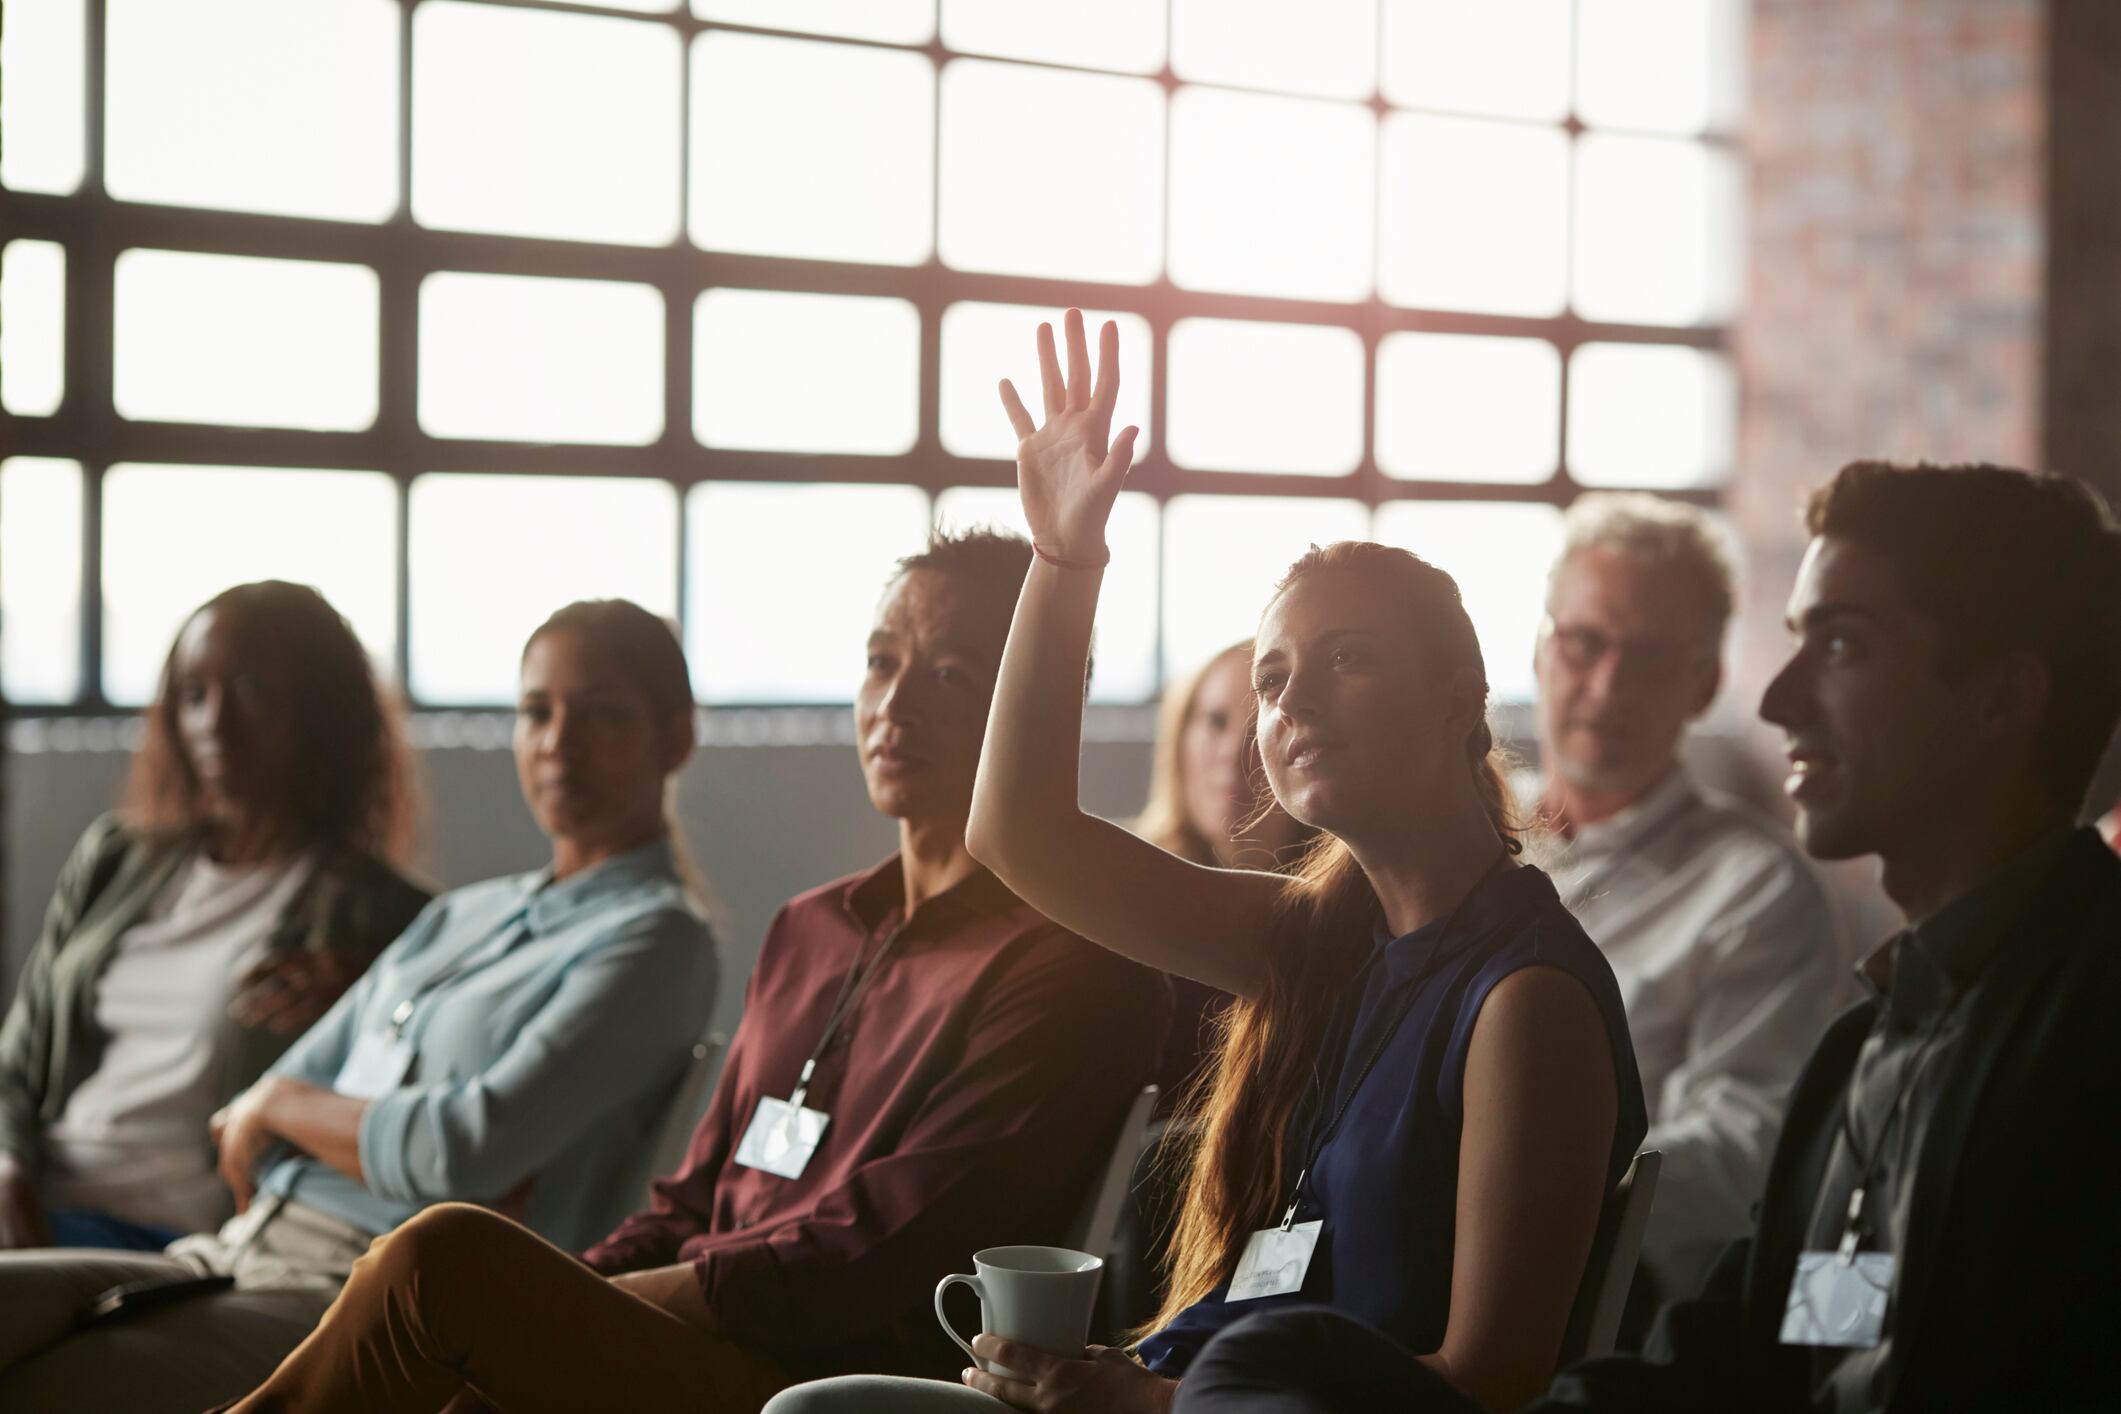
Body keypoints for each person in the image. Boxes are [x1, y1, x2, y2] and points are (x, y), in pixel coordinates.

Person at [765, 309, 1647, 1414]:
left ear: (1458, 703)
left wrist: (1141, 1403)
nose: (1295, 701)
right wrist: (1063, 558)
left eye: (1349, 660)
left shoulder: (1528, 999)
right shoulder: (1317, 938)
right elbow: (1020, 834)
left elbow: (1487, 1387)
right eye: (1275, 678)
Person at [1166, 459, 2121, 1413]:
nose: (1778, 700)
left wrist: (1526, 1161)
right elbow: (1810, 1338)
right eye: (1580, 644)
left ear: (2003, 699)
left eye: (1840, 646)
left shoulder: (2074, 1030)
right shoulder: (1880, 1044)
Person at [212, 529, 1168, 1414]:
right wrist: (569, 1289)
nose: (894, 703)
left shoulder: (1072, 960)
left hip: (828, 1380)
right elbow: (688, 1199)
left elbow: (875, 1252)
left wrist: (579, 1298)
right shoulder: (812, 930)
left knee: (438, 1258)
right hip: (695, 1337)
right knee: (451, 1282)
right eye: (880, 662)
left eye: (950, 673)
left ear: (1039, 703)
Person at [0, 598, 718, 1412]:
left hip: (360, 1284)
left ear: (675, 738)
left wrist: (291, 1107)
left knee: (53, 1384)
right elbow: (249, 1123)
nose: (558, 743)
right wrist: (315, 1119)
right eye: (535, 710)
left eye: (603, 716)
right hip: (235, 1244)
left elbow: (460, 1151)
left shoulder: (657, 939)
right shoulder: (460, 915)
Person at [0, 581, 430, 1254]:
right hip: (28, 1200)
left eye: (253, 690)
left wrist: (368, 1003)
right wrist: (7, 1174)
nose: (214, 723)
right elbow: (16, 1067)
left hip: (165, 1235)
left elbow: (410, 1122)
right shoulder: (116, 859)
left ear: (321, 710)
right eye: (192, 694)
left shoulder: (377, 912)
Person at [1527, 493, 1845, 1304]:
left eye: (1654, 657)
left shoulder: (1756, 888)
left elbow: (1744, 1143)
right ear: (1539, 650)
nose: (1609, 684)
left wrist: (1498, 1189)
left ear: (1704, 684)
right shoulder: (1453, 846)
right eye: (1584, 642)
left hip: (1604, 1299)